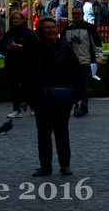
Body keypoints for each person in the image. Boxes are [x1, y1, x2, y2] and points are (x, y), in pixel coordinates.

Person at [27, 15, 82, 177]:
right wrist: (27, 97)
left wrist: (78, 95)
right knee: (43, 133)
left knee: (61, 132)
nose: (51, 30)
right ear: (40, 32)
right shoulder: (35, 50)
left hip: (61, 95)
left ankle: (65, 165)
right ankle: (45, 166)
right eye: (47, 28)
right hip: (41, 96)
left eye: (53, 27)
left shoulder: (65, 48)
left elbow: (76, 72)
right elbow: (28, 74)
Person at [62, 6, 103, 117]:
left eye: (78, 14)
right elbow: (62, 44)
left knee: (82, 85)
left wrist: (99, 58)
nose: (76, 16)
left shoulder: (89, 28)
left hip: (84, 61)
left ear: (82, 14)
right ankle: (77, 105)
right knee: (73, 86)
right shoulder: (67, 28)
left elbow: (97, 44)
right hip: (70, 62)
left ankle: (83, 107)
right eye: (74, 14)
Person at [0, 11, 38, 119]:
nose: (15, 20)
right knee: (13, 87)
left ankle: (33, 107)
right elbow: (1, 48)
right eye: (13, 19)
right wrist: (7, 48)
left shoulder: (28, 33)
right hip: (12, 64)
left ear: (23, 20)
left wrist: (20, 46)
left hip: (26, 64)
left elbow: (34, 46)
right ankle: (17, 109)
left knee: (28, 86)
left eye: (17, 18)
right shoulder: (8, 34)